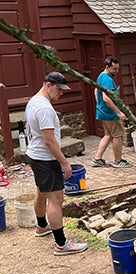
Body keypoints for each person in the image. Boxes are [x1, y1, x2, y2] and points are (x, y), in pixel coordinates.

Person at [25, 72, 88, 256]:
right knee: (55, 199)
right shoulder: (45, 109)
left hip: (34, 155)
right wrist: (64, 162)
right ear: (48, 85)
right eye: (59, 90)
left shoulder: (33, 101)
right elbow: (49, 141)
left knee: (41, 192)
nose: (60, 94)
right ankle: (61, 244)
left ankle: (42, 226)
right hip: (45, 159)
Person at [91, 56, 132, 168]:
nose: (116, 71)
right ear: (107, 67)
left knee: (108, 135)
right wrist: (118, 112)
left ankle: (97, 159)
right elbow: (106, 98)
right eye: (114, 69)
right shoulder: (107, 80)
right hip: (110, 113)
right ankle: (118, 161)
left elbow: (96, 91)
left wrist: (99, 105)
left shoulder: (101, 76)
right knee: (117, 135)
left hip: (103, 111)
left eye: (117, 69)